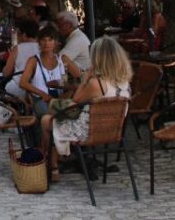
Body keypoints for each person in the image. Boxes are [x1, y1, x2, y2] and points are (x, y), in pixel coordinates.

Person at [51, 36, 133, 176]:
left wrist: (86, 78)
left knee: (48, 119)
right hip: (112, 130)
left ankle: (53, 165)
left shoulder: (97, 84)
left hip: (90, 131)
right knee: (53, 112)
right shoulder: (125, 82)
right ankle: (57, 162)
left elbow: (76, 99)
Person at [18, 25, 65, 175]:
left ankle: (52, 155)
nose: (46, 43)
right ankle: (53, 162)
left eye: (50, 40)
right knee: (51, 119)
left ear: (55, 42)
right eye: (43, 40)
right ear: (39, 42)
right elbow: (23, 82)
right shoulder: (34, 60)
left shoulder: (60, 59)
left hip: (57, 100)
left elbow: (72, 78)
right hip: (40, 100)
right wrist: (42, 94)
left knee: (68, 116)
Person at [2, 18, 42, 98]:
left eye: (18, 34)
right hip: (38, 90)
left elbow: (6, 73)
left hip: (18, 89)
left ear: (24, 35)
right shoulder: (43, 48)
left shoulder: (17, 48)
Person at [56, 10, 92, 78]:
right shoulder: (76, 36)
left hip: (81, 78)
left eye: (60, 25)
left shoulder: (78, 38)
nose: (58, 29)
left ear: (69, 25)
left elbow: (58, 60)